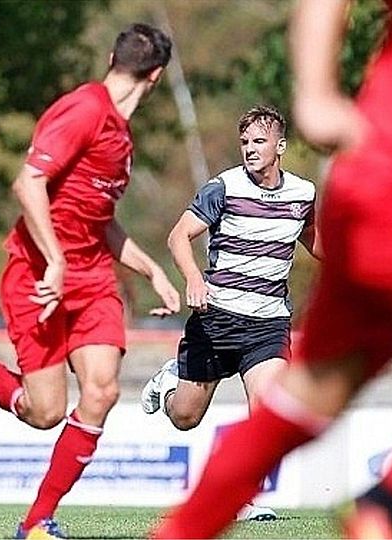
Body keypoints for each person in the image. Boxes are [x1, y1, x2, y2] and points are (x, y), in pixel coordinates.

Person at [151, 1, 392, 538]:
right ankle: (382, 505)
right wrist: (315, 92)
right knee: (211, 410)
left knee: (300, 404)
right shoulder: (225, 186)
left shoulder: (300, 195)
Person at [0, 23, 181, 540]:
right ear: (156, 77)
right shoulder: (84, 109)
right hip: (35, 277)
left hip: (92, 283)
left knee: (102, 391)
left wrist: (152, 270)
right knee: (45, 413)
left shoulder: (122, 137)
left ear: (113, 57)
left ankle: (37, 521)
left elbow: (100, 219)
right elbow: (29, 183)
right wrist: (56, 260)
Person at [140, 105, 319, 523]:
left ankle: (242, 498)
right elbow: (178, 235)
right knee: (185, 417)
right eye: (245, 143)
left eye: (259, 141)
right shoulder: (224, 187)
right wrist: (192, 279)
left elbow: (316, 241)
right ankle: (170, 380)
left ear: (281, 146)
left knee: (268, 412)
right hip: (217, 318)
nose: (250, 150)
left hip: (269, 324)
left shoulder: (303, 194)